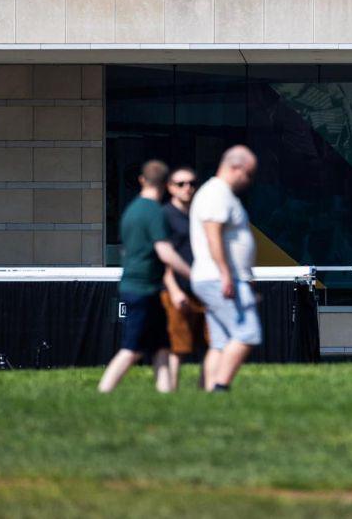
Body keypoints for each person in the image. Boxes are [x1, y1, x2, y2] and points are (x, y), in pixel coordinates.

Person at [97, 160, 191, 393]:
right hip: (143, 289)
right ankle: (103, 391)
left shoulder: (131, 211)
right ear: (167, 184)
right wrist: (193, 273)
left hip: (141, 288)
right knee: (132, 348)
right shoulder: (154, 212)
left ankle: (165, 395)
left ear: (142, 180)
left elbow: (126, 249)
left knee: (162, 347)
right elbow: (165, 251)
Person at [189, 145, 260, 392]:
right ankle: (221, 387)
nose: (249, 181)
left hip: (220, 277)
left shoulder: (221, 194)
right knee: (247, 333)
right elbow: (212, 235)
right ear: (235, 167)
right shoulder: (216, 193)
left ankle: (210, 394)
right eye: (248, 174)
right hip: (218, 278)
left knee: (220, 343)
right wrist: (226, 274)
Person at [159, 166, 210, 389]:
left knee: (210, 344)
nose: (187, 188)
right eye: (181, 184)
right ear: (170, 187)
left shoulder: (199, 214)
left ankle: (205, 391)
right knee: (177, 346)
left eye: (192, 183)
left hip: (202, 287)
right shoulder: (165, 215)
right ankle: (171, 393)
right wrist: (174, 290)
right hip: (176, 289)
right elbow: (162, 258)